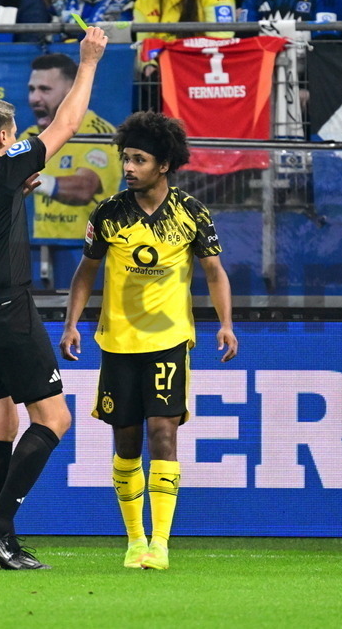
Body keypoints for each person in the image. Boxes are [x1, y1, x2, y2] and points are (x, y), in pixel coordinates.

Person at [0, 26, 108, 570]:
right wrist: (89, 62)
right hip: (7, 309)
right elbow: (69, 123)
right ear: (7, 134)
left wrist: (15, 189)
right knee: (54, 419)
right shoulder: (3, 168)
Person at [59, 110, 238, 571]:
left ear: (164, 164)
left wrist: (225, 323)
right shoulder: (108, 214)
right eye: (126, 158)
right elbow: (86, 273)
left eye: (139, 159)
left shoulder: (191, 213)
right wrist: (71, 323)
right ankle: (134, 539)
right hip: (118, 343)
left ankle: (159, 543)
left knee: (163, 433)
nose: (129, 167)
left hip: (169, 342)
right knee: (126, 443)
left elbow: (215, 272)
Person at [19, 52, 122, 240]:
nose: (34, 98)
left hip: (90, 249)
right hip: (44, 246)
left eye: (44, 89)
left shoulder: (98, 133)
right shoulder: (30, 136)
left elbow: (85, 188)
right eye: (32, 89)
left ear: (72, 91)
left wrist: (31, 179)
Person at [132, 0, 235, 85]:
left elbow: (221, 39)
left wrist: (185, 65)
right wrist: (149, 66)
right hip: (163, 76)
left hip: (203, 72)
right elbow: (142, 45)